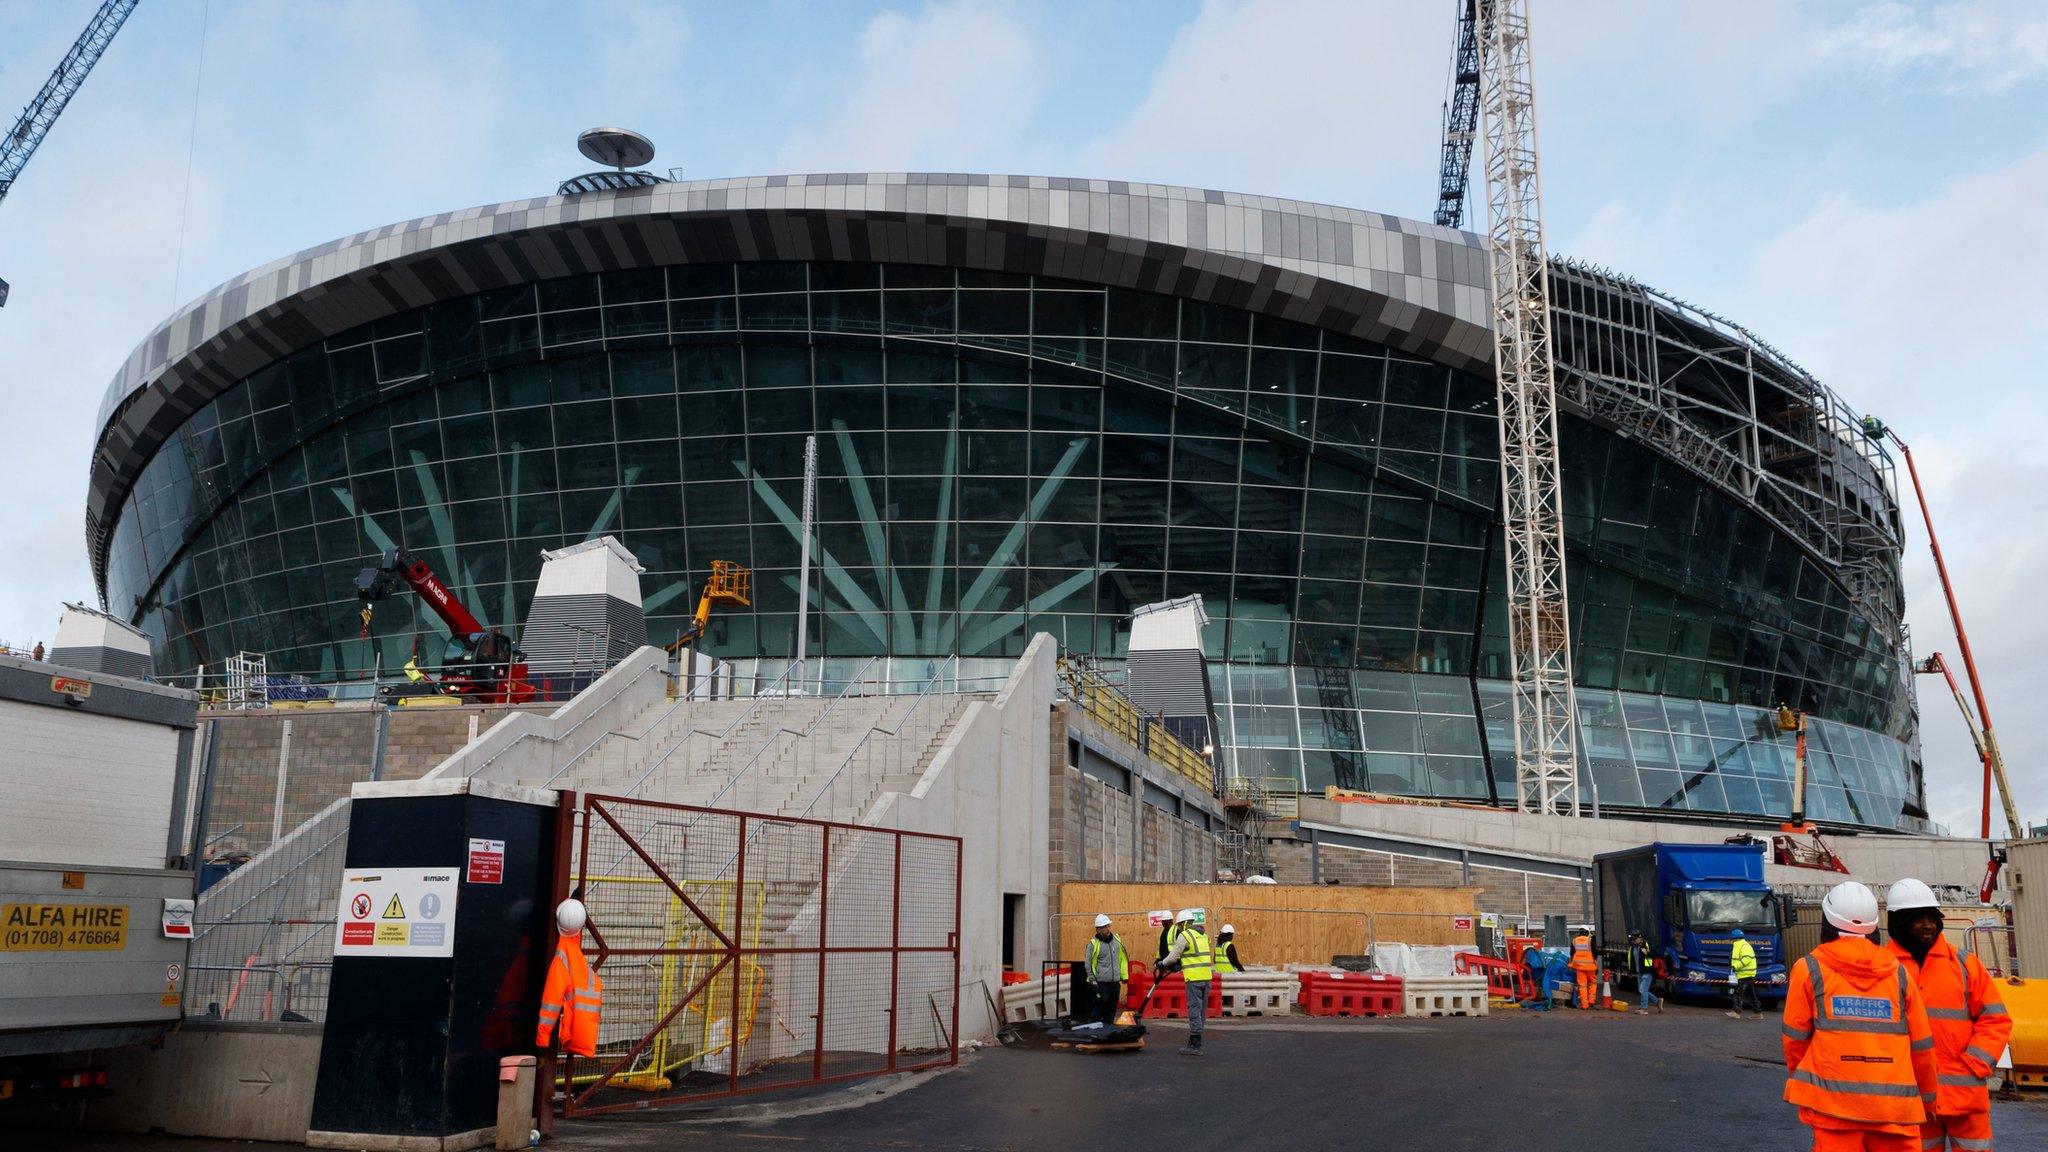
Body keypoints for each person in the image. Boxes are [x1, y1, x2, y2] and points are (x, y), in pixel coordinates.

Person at [1783, 880, 1937, 1152]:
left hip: (1833, 1110)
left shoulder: (1808, 969)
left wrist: (1808, 1083)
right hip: (1896, 1111)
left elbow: (1795, 1040)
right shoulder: (1899, 974)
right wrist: (1927, 1099)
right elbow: (1922, 1047)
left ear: (1827, 923)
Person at [1884, 878, 2012, 1152]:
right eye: (1919, 919)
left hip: (1965, 1098)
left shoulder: (1965, 965)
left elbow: (1996, 1019)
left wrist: (1975, 1064)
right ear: (1898, 922)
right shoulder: (1882, 969)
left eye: (1933, 918)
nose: (1929, 925)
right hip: (1912, 1097)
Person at [537, 898, 603, 1058]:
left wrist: (542, 1038)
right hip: (582, 1033)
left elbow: (551, 1001)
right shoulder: (575, 955)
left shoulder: (562, 957)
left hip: (572, 1032)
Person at [1156, 908, 1215, 1056]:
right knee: (1201, 1010)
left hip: (1193, 978)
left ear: (1182, 924)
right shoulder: (1203, 935)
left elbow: (1174, 955)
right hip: (1206, 977)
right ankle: (1196, 1037)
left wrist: (1162, 964)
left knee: (1194, 1008)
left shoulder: (1185, 935)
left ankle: (1195, 1043)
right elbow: (1195, 954)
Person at [1084, 914, 1129, 1027]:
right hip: (1101, 983)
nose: (1108, 929)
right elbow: (1088, 964)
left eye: (1108, 926)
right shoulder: (1093, 944)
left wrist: (1124, 976)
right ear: (1098, 929)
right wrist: (1093, 980)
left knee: (1112, 1007)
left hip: (1114, 982)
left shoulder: (1117, 940)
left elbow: (1122, 959)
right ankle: (1095, 1030)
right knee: (1099, 1006)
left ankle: (1108, 1029)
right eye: (1104, 927)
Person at [1729, 927, 1763, 1019]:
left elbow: (1747, 959)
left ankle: (1736, 1012)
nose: (1731, 940)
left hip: (1745, 975)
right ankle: (1758, 1013)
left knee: (1738, 993)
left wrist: (1736, 966)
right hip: (1746, 974)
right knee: (1751, 995)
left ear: (1735, 938)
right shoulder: (1740, 945)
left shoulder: (1744, 946)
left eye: (1732, 939)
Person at [1626, 931, 1662, 1015]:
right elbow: (1631, 960)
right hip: (1640, 972)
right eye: (1632, 939)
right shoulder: (1633, 948)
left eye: (1634, 939)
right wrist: (1630, 971)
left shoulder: (1647, 946)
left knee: (1643, 989)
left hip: (1648, 972)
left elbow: (1658, 954)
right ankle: (1657, 1001)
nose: (1633, 941)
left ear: (1640, 938)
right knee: (1641, 990)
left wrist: (1647, 953)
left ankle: (1644, 1008)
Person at [1569, 927, 1599, 1009]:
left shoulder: (1574, 940)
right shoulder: (1590, 940)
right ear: (1587, 932)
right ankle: (1591, 1001)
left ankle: (1584, 1005)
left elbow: (1572, 953)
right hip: (1591, 967)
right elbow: (1595, 954)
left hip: (1579, 967)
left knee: (1582, 985)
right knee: (1592, 983)